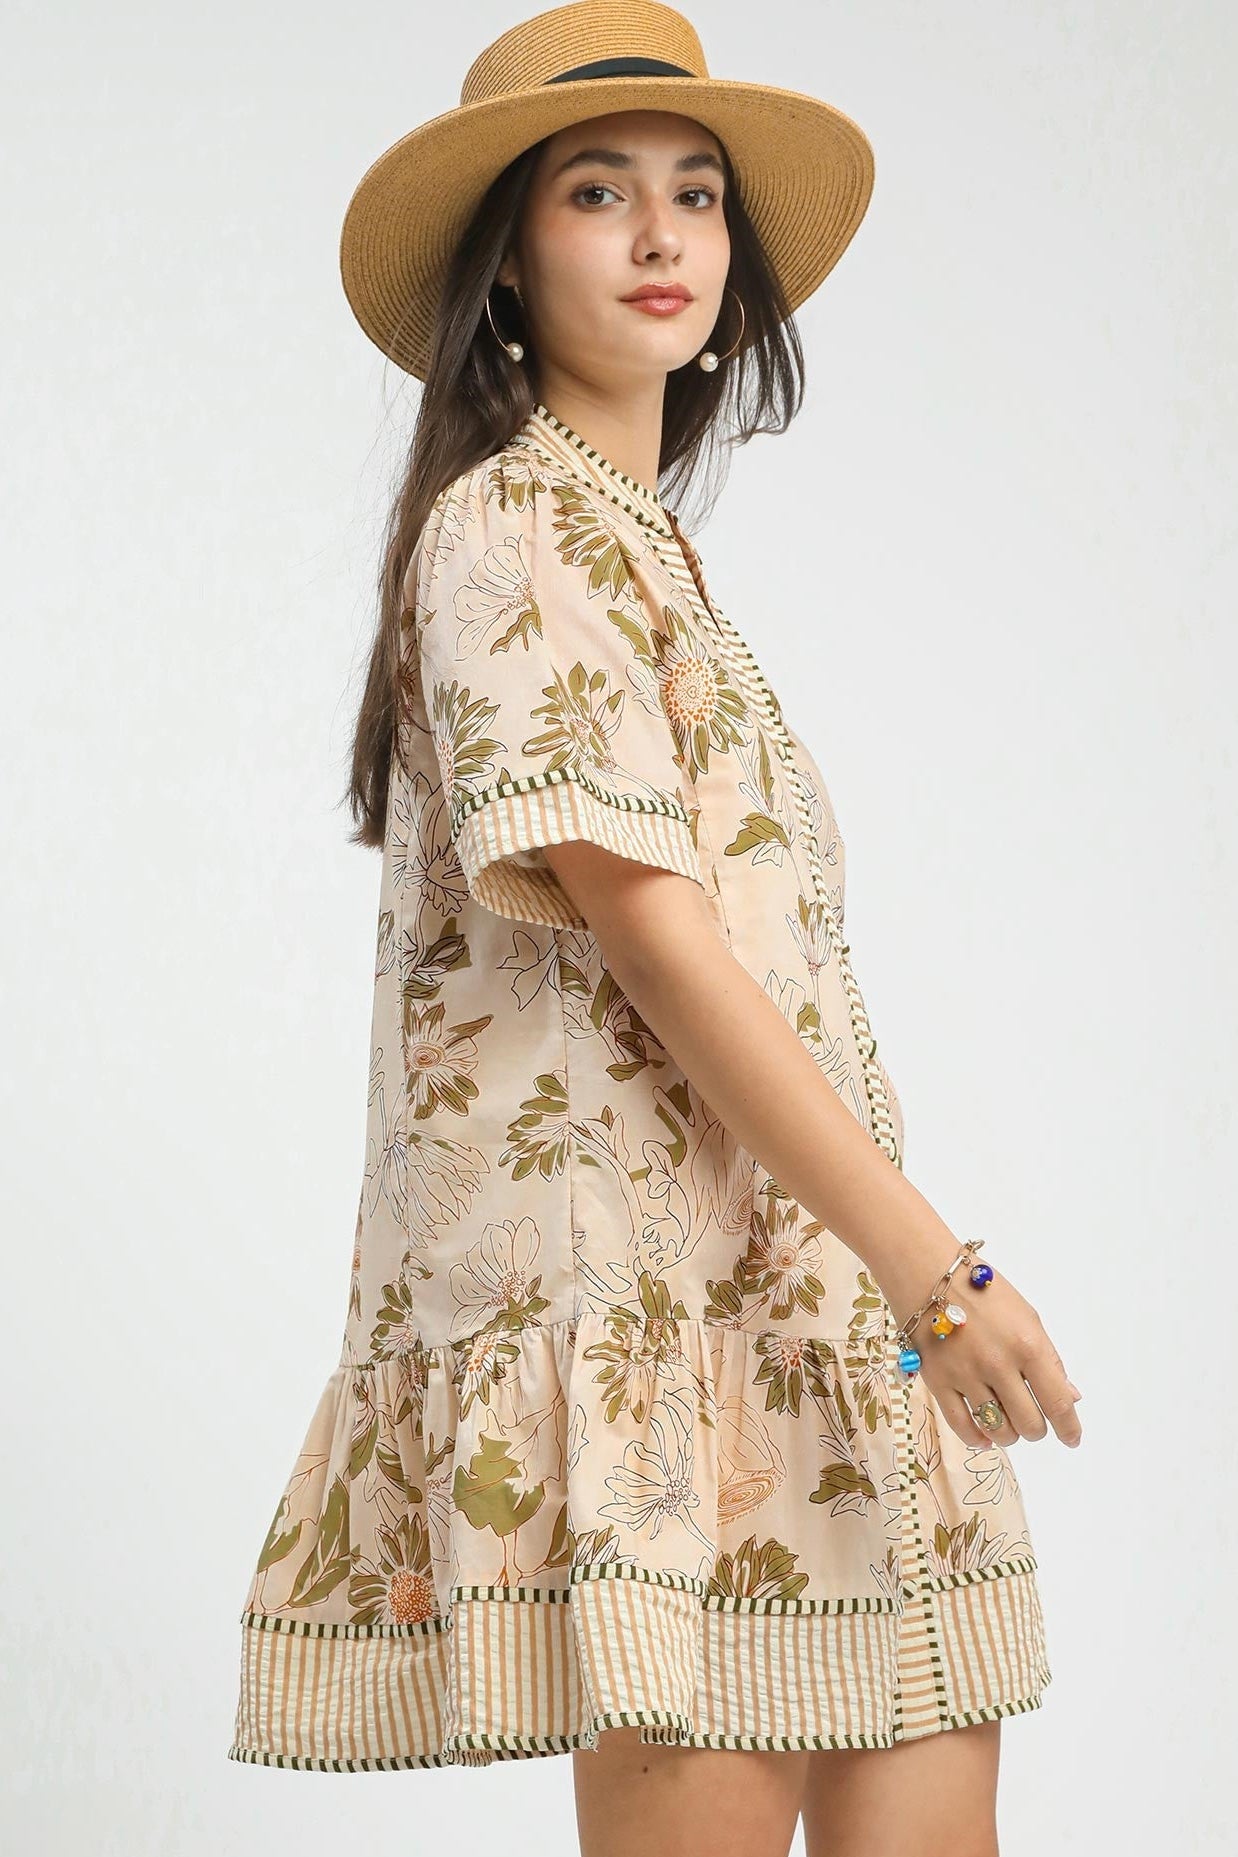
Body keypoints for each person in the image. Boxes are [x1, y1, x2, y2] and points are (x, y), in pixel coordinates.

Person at [228, 5, 1083, 1852]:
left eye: (695, 194)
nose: (659, 235)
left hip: (810, 1306)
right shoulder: (509, 532)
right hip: (669, 1337)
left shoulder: (639, 548)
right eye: (596, 192)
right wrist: (937, 1275)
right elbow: (660, 949)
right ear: (506, 260)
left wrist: (892, 1282)